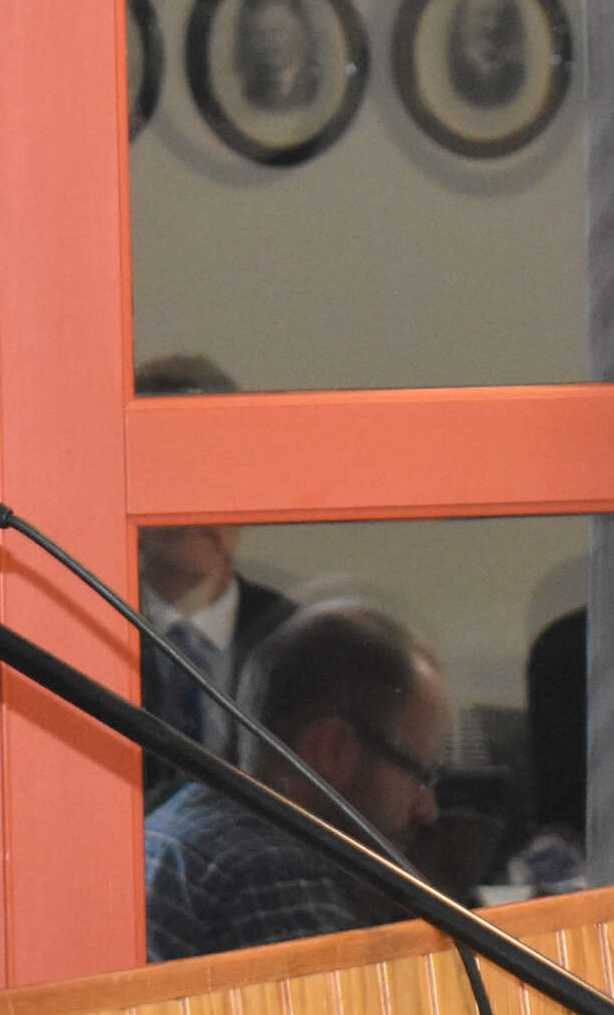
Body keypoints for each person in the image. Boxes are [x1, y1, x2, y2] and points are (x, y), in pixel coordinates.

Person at [143, 600, 454, 962]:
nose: (428, 809)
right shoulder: (273, 873)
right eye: (420, 776)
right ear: (331, 749)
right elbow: (334, 1000)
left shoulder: (183, 815)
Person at [130, 354, 298, 798]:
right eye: (169, 469)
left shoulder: (299, 643)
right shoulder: (91, 632)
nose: (193, 500)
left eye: (212, 469)